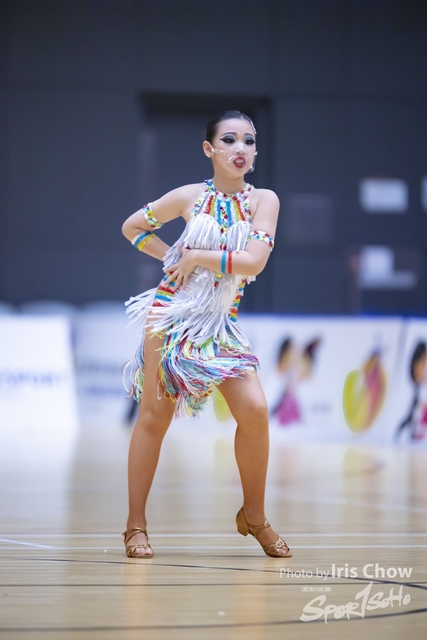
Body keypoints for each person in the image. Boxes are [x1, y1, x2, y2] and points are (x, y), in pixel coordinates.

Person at [121, 110, 292, 559]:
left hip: (220, 322)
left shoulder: (264, 201)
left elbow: (254, 262)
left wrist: (195, 255)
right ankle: (135, 525)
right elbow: (132, 227)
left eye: (249, 141)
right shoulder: (188, 197)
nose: (240, 149)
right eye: (229, 140)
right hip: (171, 316)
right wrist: (172, 256)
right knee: (154, 418)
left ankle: (254, 516)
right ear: (209, 149)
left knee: (255, 411)